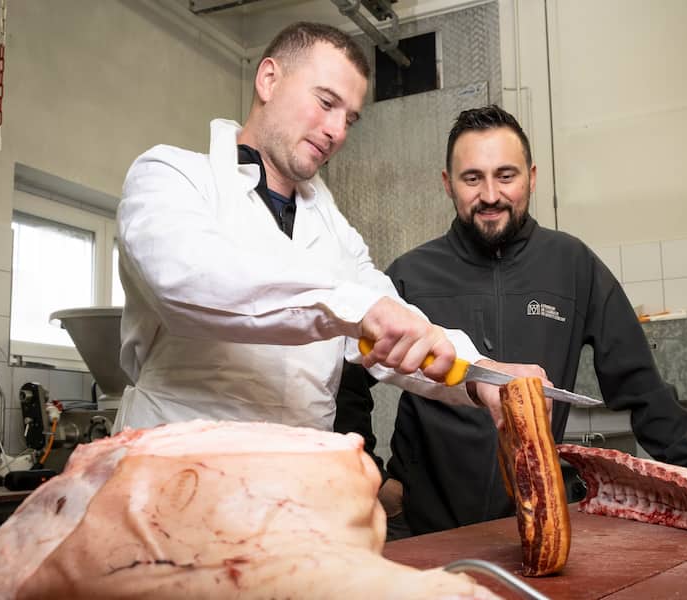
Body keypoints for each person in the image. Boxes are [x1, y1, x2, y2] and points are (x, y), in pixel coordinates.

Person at [112, 24, 548, 434]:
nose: (337, 131)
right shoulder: (170, 176)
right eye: (325, 103)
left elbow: (401, 332)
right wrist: (358, 309)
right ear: (268, 80)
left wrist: (481, 373)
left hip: (303, 473)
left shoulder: (335, 231)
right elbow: (189, 280)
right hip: (176, 465)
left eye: (350, 119)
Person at [336, 105, 687, 538]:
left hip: (537, 522)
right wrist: (372, 477)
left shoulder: (572, 265)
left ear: (531, 178)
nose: (490, 195)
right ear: (447, 183)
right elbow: (347, 378)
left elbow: (641, 385)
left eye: (506, 175)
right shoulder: (410, 274)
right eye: (472, 178)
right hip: (425, 525)